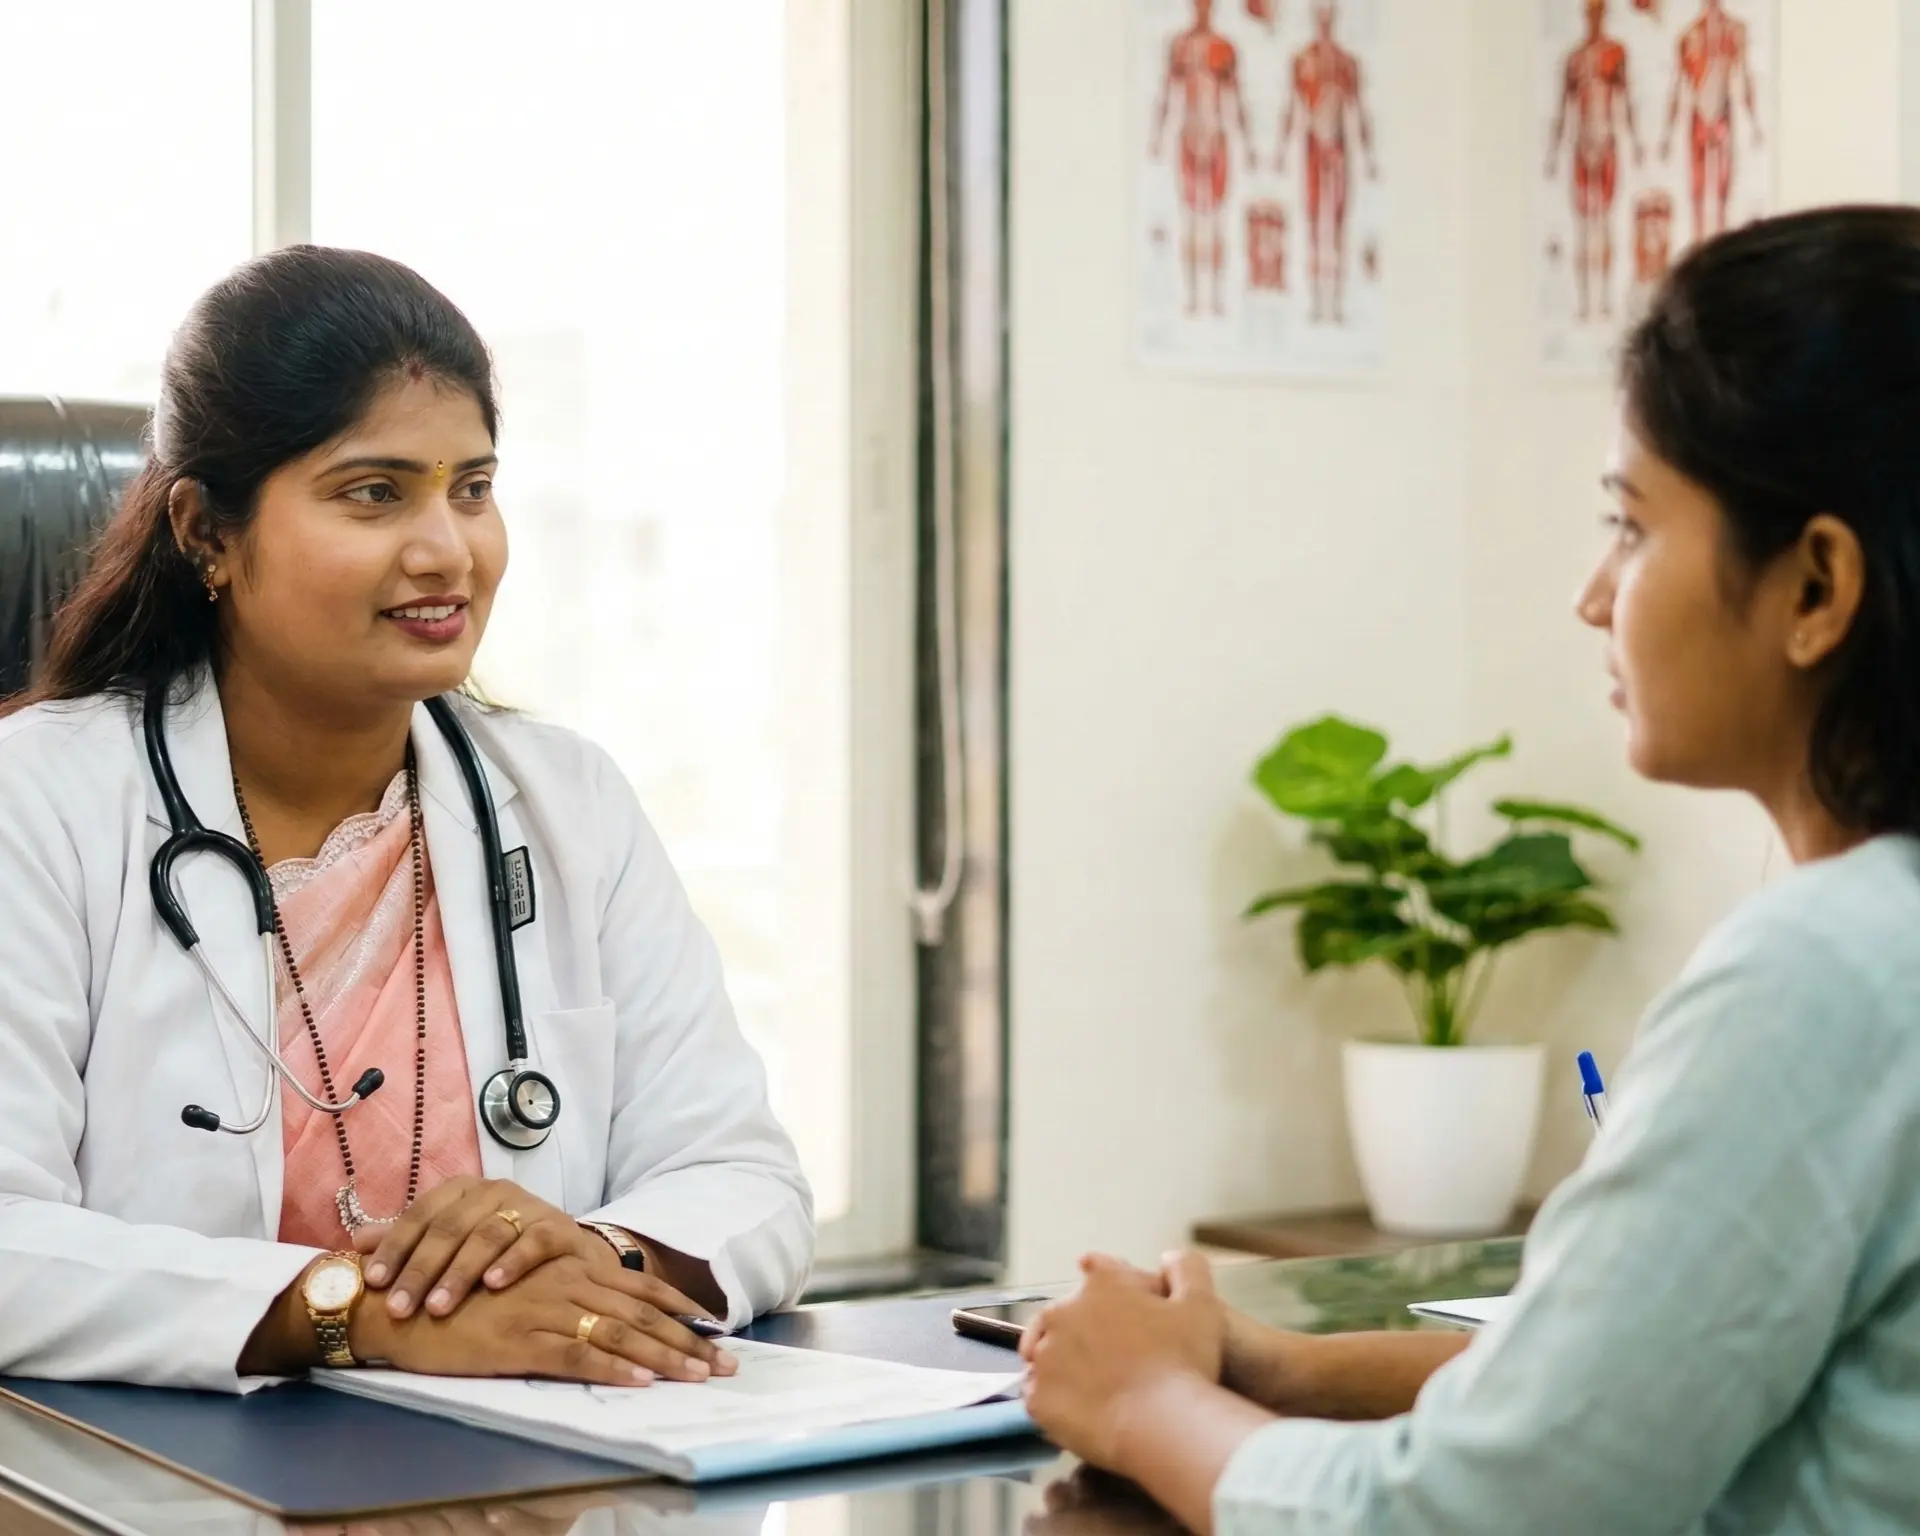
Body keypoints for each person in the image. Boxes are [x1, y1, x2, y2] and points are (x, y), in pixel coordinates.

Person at [1021, 206, 1920, 1532]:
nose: (1594, 595)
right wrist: (1290, 1370)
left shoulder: (1829, 971)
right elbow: (1632, 1376)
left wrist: (1148, 1408)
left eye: (1632, 524)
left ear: (1815, 588)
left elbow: (1475, 1514)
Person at [0, 246, 813, 1391]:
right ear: (206, 533)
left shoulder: (566, 803)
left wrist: (583, 1254)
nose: (448, 551)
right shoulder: (39, 804)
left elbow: (747, 1177)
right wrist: (350, 1309)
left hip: (524, 1480)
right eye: (374, 492)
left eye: (472, 489)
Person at [1150, 0, 1257, 318]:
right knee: (1191, 219)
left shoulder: (1224, 48)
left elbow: (1236, 98)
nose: (1202, 8)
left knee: (1216, 220)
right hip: (1188, 138)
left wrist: (1248, 144)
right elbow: (1167, 94)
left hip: (1217, 139)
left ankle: (1218, 296)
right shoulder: (1180, 46)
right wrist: (1157, 137)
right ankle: (1193, 296)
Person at [1275, 1, 1376, 326]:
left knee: (1338, 227)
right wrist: (1279, 151)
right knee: (1315, 227)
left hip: (1339, 150)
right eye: (1319, 14)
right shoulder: (1302, 61)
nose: (1323, 20)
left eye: (1328, 14)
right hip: (1313, 150)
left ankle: (1338, 303)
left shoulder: (1347, 63)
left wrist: (1369, 155)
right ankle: (1317, 302)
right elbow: (1292, 107)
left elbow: (1359, 110)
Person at [1546, 0, 1643, 322]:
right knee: (1584, 227)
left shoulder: (1616, 53)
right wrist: (1553, 151)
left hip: (1608, 144)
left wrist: (1637, 142)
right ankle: (1585, 302)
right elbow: (1563, 107)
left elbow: (1626, 99)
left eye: (1600, 12)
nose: (1596, 18)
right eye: (1591, 13)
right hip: (1581, 146)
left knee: (1605, 224)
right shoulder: (1574, 59)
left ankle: (1605, 301)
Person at [1660, 0, 1763, 244]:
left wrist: (1755, 122)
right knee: (1698, 193)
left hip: (1722, 115)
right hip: (1698, 116)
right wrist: (1667, 133)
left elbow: (1745, 74)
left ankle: (1720, 250)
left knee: (1722, 194)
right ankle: (1699, 247)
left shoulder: (1735, 30)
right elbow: (1678, 85)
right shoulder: (1688, 35)